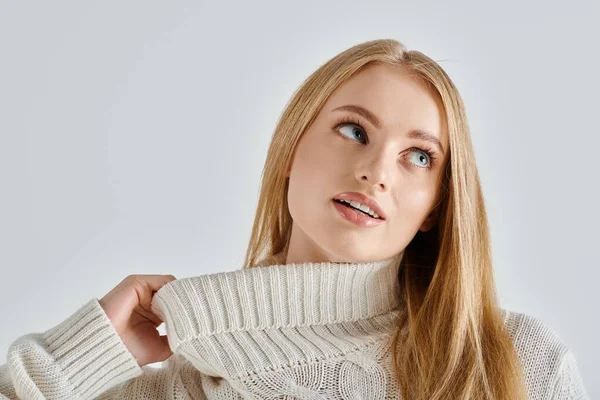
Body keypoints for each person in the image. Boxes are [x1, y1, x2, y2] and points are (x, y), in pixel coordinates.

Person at [0, 38, 589, 400]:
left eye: (419, 156)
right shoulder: (194, 380)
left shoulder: (512, 360)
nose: (376, 172)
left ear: (437, 205)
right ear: (289, 151)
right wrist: (82, 354)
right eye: (354, 130)